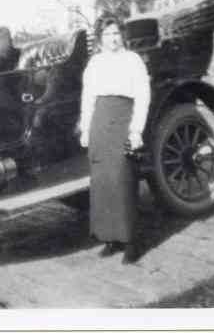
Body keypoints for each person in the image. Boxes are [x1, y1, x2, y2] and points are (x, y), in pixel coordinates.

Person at [79, 18, 151, 264]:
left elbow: (143, 96)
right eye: (108, 34)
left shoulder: (133, 60)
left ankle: (131, 241)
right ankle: (111, 238)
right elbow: (88, 98)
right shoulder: (95, 64)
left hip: (123, 119)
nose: (113, 38)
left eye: (116, 33)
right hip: (100, 121)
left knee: (123, 179)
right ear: (100, 38)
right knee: (103, 182)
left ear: (122, 35)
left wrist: (136, 130)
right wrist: (86, 129)